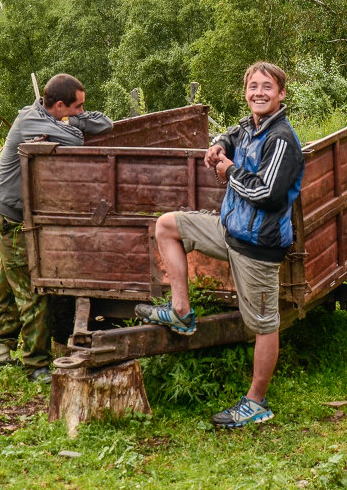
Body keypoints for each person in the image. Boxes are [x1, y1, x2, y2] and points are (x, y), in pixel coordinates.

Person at [136, 62, 304, 427]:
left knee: (264, 324)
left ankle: (256, 402)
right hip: (230, 231)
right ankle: (181, 312)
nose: (259, 93)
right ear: (246, 92)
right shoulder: (252, 126)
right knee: (167, 226)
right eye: (253, 87)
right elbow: (234, 131)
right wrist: (219, 144)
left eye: (267, 88)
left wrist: (228, 171)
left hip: (258, 245)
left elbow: (269, 194)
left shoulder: (282, 140)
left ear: (281, 94)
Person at [0, 73, 113, 382]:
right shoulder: (31, 122)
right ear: (58, 104)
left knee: (9, 284)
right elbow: (76, 141)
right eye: (76, 107)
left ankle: (0, 353)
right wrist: (73, 126)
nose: (82, 111)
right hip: (9, 218)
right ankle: (37, 366)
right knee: (32, 291)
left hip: (18, 217)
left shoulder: (50, 116)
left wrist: (72, 120)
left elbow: (105, 124)